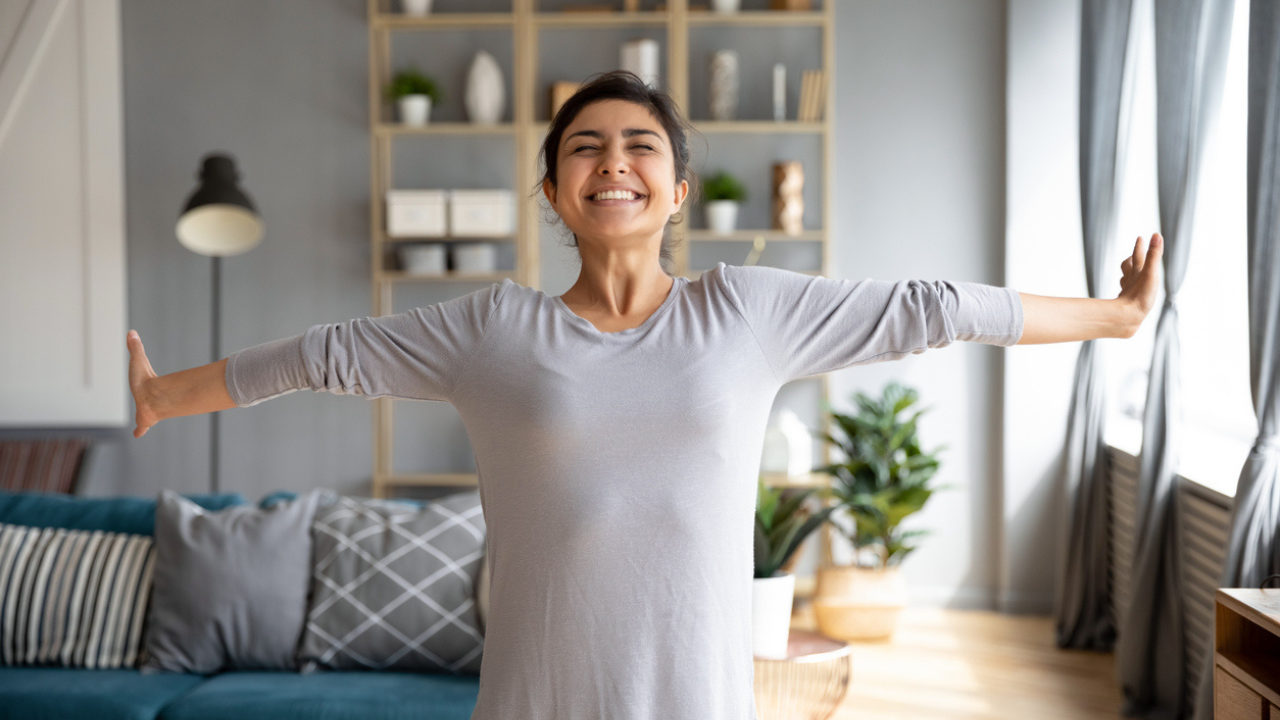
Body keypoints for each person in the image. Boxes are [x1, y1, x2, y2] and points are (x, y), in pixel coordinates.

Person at [126, 71, 1162, 720]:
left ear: (673, 192)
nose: (610, 160)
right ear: (552, 195)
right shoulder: (493, 331)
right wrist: (169, 397)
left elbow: (927, 307)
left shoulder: (745, 312)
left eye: (639, 147)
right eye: (583, 146)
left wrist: (1109, 318)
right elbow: (322, 353)